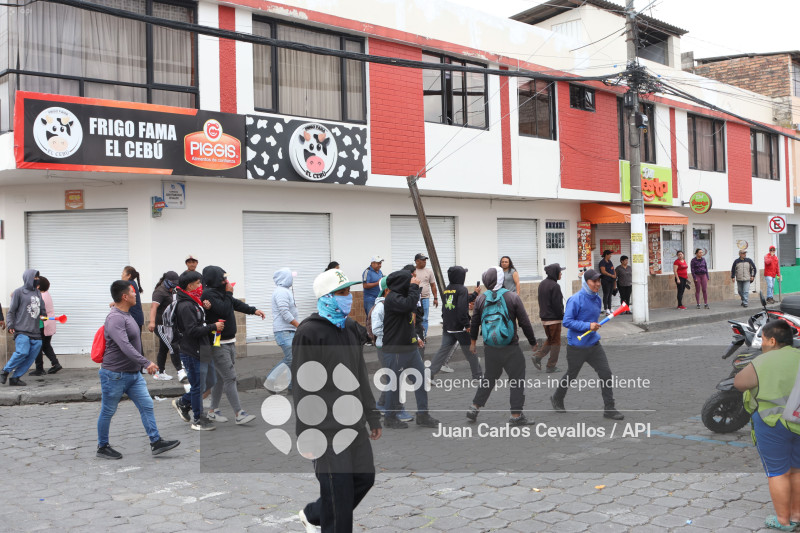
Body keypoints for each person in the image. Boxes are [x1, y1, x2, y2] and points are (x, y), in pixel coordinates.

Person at [293, 268, 382, 533]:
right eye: (342, 293)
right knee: (339, 496)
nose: (349, 298)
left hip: (354, 425)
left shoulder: (351, 328)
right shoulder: (309, 333)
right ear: (326, 297)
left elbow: (360, 376)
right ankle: (327, 519)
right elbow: (302, 388)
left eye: (348, 292)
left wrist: (372, 415)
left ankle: (314, 514)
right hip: (326, 430)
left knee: (365, 479)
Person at [96, 280, 180, 460]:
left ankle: (156, 442)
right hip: (114, 375)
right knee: (108, 411)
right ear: (125, 297)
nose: (136, 295)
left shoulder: (126, 314)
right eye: (133, 292)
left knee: (147, 405)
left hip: (133, 375)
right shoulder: (115, 318)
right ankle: (102, 447)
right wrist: (146, 362)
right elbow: (124, 345)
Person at [734, 320, 800, 531]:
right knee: (797, 470)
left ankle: (783, 521)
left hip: (772, 424)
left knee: (778, 472)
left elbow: (739, 383)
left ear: (772, 340)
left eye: (762, 339)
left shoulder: (763, 361)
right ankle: (797, 515)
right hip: (798, 422)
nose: (761, 343)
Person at [550, 269, 624, 421]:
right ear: (586, 282)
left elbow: (592, 319)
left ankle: (609, 409)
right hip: (576, 346)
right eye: (594, 281)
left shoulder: (597, 299)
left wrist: (593, 327)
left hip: (593, 344)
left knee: (606, 374)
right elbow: (567, 321)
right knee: (571, 375)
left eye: (599, 281)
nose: (597, 284)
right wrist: (588, 326)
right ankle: (557, 397)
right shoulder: (575, 299)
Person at [468, 267, 537, 424]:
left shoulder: (480, 299)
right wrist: (532, 341)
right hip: (510, 346)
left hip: (490, 347)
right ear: (501, 279)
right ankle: (516, 416)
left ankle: (474, 406)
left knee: (489, 378)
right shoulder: (512, 297)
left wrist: (473, 343)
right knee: (517, 379)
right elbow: (524, 322)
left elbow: (475, 323)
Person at [202, 266, 264, 425]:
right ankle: (239, 413)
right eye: (222, 279)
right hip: (217, 341)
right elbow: (223, 310)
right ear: (215, 280)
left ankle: (212, 410)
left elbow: (235, 304)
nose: (226, 281)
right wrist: (229, 293)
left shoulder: (223, 292)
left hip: (229, 340)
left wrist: (253, 310)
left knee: (221, 378)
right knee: (230, 377)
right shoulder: (208, 294)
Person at [382, 269, 439, 429]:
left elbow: (408, 321)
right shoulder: (393, 298)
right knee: (395, 384)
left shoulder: (403, 297)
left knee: (421, 380)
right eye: (410, 279)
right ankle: (389, 417)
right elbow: (408, 305)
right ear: (402, 283)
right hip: (395, 349)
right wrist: (414, 288)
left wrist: (416, 338)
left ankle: (423, 415)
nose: (414, 281)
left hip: (409, 348)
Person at [171, 270, 225, 431]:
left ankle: (182, 402)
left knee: (211, 381)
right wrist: (213, 327)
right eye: (198, 283)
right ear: (190, 286)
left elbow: (199, 322)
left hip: (203, 349)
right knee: (197, 386)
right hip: (192, 351)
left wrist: (205, 310)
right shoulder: (185, 305)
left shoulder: (194, 301)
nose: (201, 286)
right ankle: (198, 419)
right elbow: (192, 330)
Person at [429, 266, 483, 380]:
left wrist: (474, 294)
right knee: (471, 350)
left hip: (448, 326)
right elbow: (461, 308)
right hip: (460, 327)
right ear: (460, 276)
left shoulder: (447, 289)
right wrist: (467, 324)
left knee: (443, 351)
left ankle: (429, 374)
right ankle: (477, 375)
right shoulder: (462, 289)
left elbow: (449, 306)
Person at [2, 269, 44, 386]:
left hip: (35, 330)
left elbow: (42, 309)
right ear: (28, 278)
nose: (36, 280)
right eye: (34, 278)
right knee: (22, 352)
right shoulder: (19, 292)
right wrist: (11, 324)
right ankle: (5, 370)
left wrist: (44, 315)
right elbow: (11, 311)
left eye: (37, 278)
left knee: (31, 356)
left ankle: (15, 378)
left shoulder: (38, 293)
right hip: (21, 329)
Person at [149, 271, 186, 382]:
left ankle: (160, 373)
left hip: (170, 325)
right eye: (172, 282)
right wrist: (152, 322)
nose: (175, 284)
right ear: (166, 281)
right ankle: (180, 372)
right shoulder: (159, 292)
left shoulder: (172, 290)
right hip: (161, 326)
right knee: (173, 346)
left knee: (163, 348)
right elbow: (153, 307)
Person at [269, 268, 300, 392]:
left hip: (288, 331)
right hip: (284, 331)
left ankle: (292, 387)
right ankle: (271, 380)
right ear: (285, 278)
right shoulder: (281, 292)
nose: (292, 279)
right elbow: (284, 312)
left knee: (293, 359)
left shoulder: (285, 291)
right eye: (290, 276)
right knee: (291, 358)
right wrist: (299, 325)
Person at [533, 263, 565, 373]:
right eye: (560, 272)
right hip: (554, 318)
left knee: (550, 340)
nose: (561, 274)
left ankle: (537, 356)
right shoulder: (555, 286)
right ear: (555, 273)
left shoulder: (542, 283)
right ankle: (551, 365)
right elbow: (557, 304)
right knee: (556, 342)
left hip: (544, 318)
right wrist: (562, 315)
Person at [30, 276, 62, 376]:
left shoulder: (40, 296)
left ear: (38, 286)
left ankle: (39, 369)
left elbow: (35, 310)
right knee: (46, 345)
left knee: (38, 346)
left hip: (42, 325)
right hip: (49, 324)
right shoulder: (46, 294)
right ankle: (55, 363)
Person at [413, 253, 438, 337]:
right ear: (417, 261)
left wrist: (435, 298)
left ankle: (424, 335)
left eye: (425, 260)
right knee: (415, 317)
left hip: (425, 298)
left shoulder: (429, 271)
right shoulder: (413, 271)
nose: (425, 261)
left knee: (425, 318)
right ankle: (416, 335)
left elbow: (433, 285)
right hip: (415, 298)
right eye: (422, 260)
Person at [121, 266, 145, 332]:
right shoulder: (132, 283)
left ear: (128, 275)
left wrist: (114, 303)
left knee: (134, 341)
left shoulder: (129, 285)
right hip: (136, 318)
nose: (121, 276)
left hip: (134, 318)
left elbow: (127, 299)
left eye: (123, 273)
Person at [598, 250, 616, 316]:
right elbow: (603, 271)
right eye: (609, 254)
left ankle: (610, 308)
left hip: (611, 280)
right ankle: (606, 309)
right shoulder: (602, 262)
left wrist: (614, 275)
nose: (610, 256)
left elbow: (613, 269)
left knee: (610, 295)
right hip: (605, 281)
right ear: (606, 255)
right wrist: (611, 275)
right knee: (606, 294)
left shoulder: (610, 262)